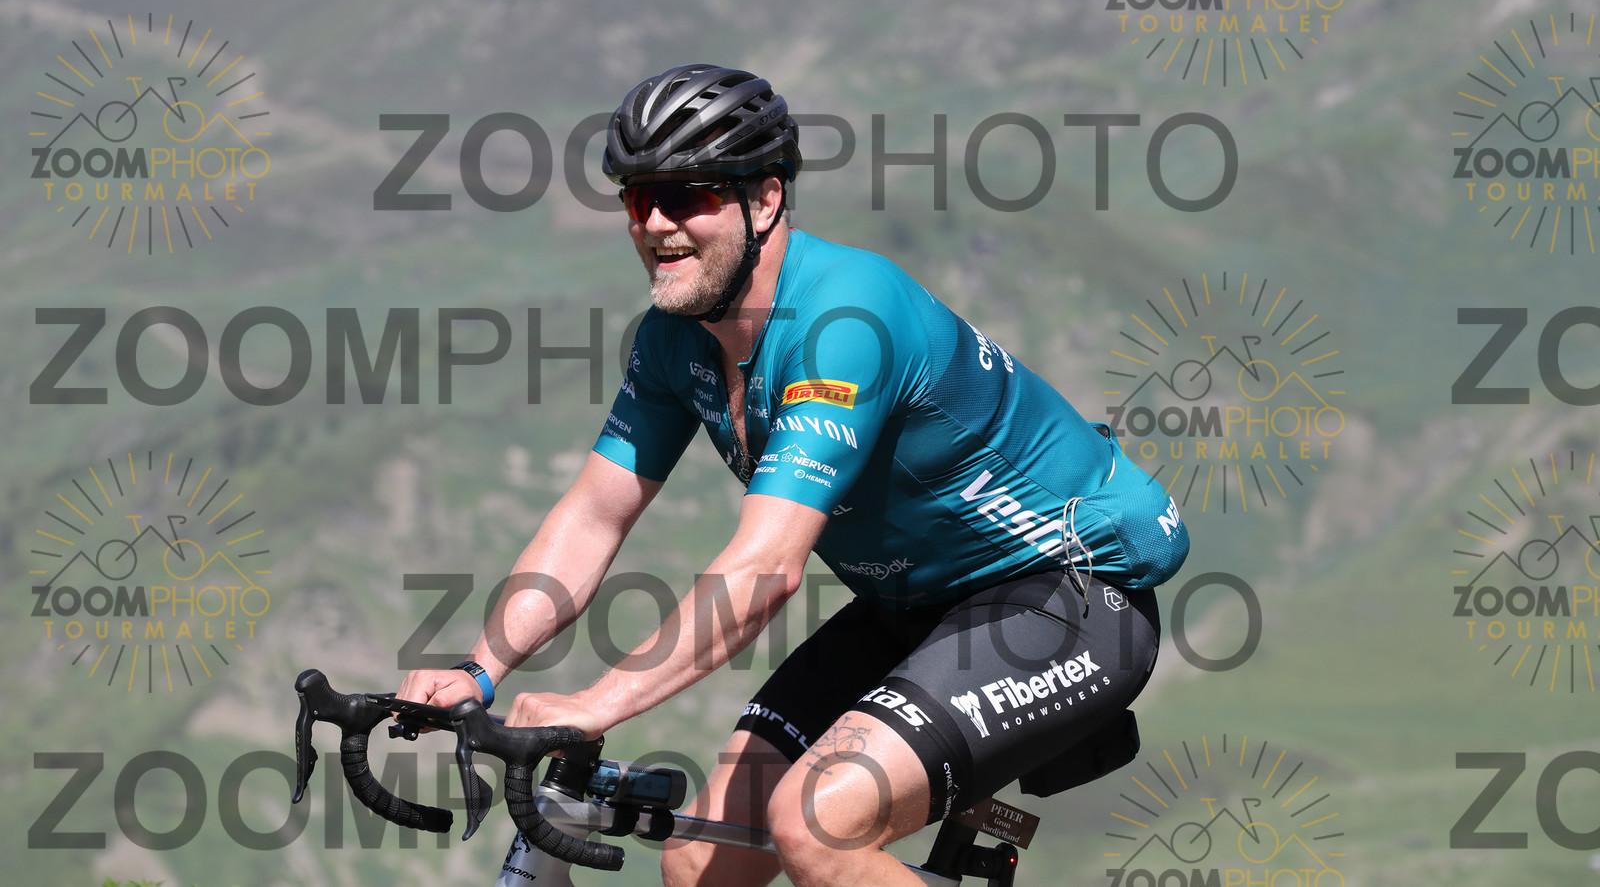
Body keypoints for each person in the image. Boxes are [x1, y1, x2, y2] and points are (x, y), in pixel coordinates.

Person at [397, 64, 1189, 886]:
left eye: (687, 195)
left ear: (766, 198)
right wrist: (479, 669)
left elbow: (766, 568)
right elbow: (594, 515)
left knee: (818, 825)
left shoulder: (847, 320)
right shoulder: (673, 341)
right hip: (908, 611)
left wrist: (597, 702)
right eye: (638, 199)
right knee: (702, 862)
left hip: (1061, 598)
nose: (656, 224)